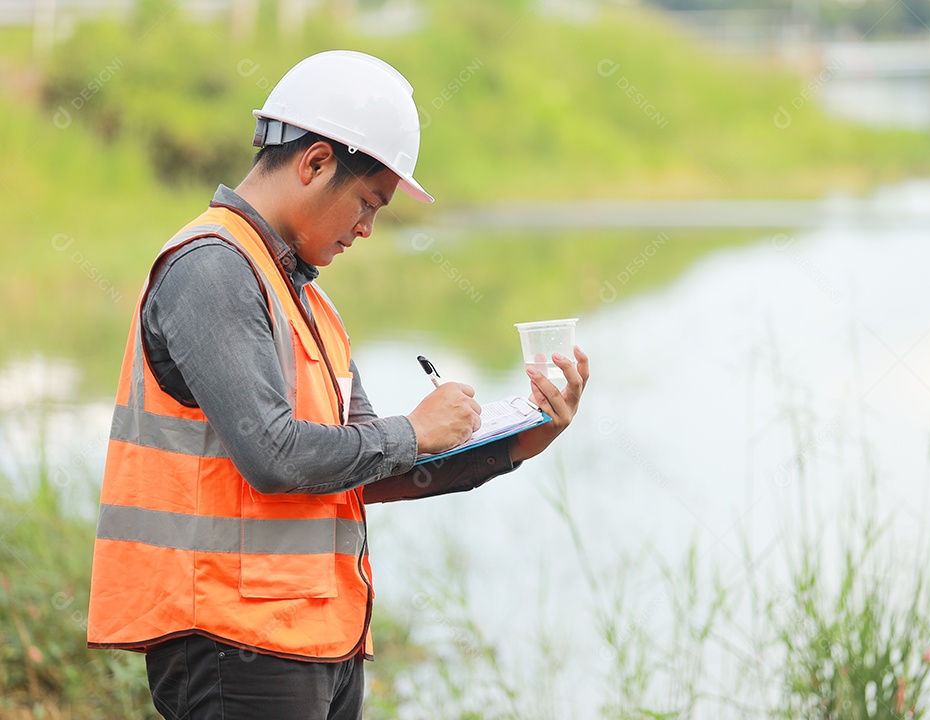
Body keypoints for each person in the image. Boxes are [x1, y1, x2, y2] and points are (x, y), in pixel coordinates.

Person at [86, 50, 588, 720]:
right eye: (366, 201)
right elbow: (274, 456)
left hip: (318, 639)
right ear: (315, 162)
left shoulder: (307, 301)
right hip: (233, 644)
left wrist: (530, 432)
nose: (366, 228)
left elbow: (372, 469)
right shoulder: (212, 268)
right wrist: (411, 430)